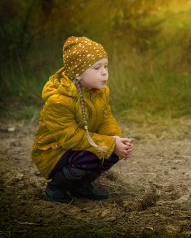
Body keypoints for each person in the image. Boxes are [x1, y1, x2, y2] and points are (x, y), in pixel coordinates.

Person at [31, 36, 133, 204]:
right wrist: (109, 144)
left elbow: (106, 118)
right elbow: (69, 137)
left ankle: (80, 185)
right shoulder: (59, 100)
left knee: (112, 152)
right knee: (93, 155)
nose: (104, 72)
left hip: (79, 146)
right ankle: (57, 186)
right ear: (77, 73)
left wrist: (114, 138)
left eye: (106, 66)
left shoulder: (99, 91)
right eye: (96, 67)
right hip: (54, 151)